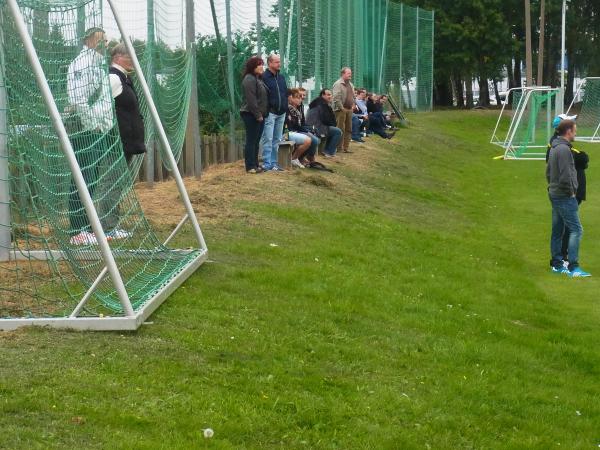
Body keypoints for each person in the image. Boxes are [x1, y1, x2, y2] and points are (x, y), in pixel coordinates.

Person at [66, 27, 113, 245]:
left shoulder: (98, 65)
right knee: (82, 178)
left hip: (95, 129)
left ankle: (86, 227)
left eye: (106, 40)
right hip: (82, 128)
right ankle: (77, 230)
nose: (105, 43)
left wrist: (101, 125)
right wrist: (91, 123)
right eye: (101, 39)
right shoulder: (81, 63)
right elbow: (78, 99)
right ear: (89, 40)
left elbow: (102, 100)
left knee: (91, 178)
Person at [546, 119, 591, 277]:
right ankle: (573, 267)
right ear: (568, 131)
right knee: (576, 230)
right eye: (574, 130)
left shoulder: (554, 147)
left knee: (558, 229)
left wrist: (553, 187)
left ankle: (557, 265)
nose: (576, 133)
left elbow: (548, 173)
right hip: (564, 196)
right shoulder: (564, 150)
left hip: (555, 193)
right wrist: (571, 192)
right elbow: (565, 176)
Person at [239, 55, 268, 173]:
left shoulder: (258, 78)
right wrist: (258, 115)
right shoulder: (249, 79)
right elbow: (251, 100)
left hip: (259, 114)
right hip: (251, 114)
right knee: (251, 140)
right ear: (252, 66)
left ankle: (256, 165)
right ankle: (250, 166)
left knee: (256, 140)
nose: (261, 66)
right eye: (259, 64)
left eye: (262, 64)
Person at [260, 53, 288, 171]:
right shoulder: (264, 77)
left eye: (279, 62)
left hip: (281, 112)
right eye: (276, 62)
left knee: (277, 138)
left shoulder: (281, 77)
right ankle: (267, 162)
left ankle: (274, 163)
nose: (279, 64)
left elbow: (284, 93)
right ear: (270, 63)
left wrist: (285, 106)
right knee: (268, 138)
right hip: (270, 112)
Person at [286, 88, 319, 168]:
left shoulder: (298, 108)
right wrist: (306, 131)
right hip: (291, 131)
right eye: (298, 97)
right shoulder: (288, 108)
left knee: (315, 135)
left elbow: (302, 123)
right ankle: (298, 158)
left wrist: (309, 129)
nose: (301, 99)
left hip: (298, 130)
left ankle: (302, 157)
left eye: (303, 96)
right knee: (313, 140)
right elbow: (293, 126)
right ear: (291, 98)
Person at [306, 89, 342, 158]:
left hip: (316, 125)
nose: (330, 96)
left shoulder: (318, 102)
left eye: (331, 95)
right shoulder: (321, 104)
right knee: (337, 131)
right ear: (323, 95)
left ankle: (328, 151)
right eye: (328, 95)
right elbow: (326, 119)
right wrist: (333, 124)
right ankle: (329, 152)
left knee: (333, 129)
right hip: (316, 127)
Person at [332, 67, 355, 153]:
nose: (350, 75)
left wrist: (353, 105)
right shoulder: (338, 84)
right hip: (340, 110)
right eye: (348, 73)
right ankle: (339, 147)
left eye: (350, 73)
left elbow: (353, 96)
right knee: (340, 129)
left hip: (349, 109)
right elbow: (336, 98)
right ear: (343, 74)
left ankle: (346, 148)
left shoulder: (351, 84)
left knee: (349, 129)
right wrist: (342, 108)